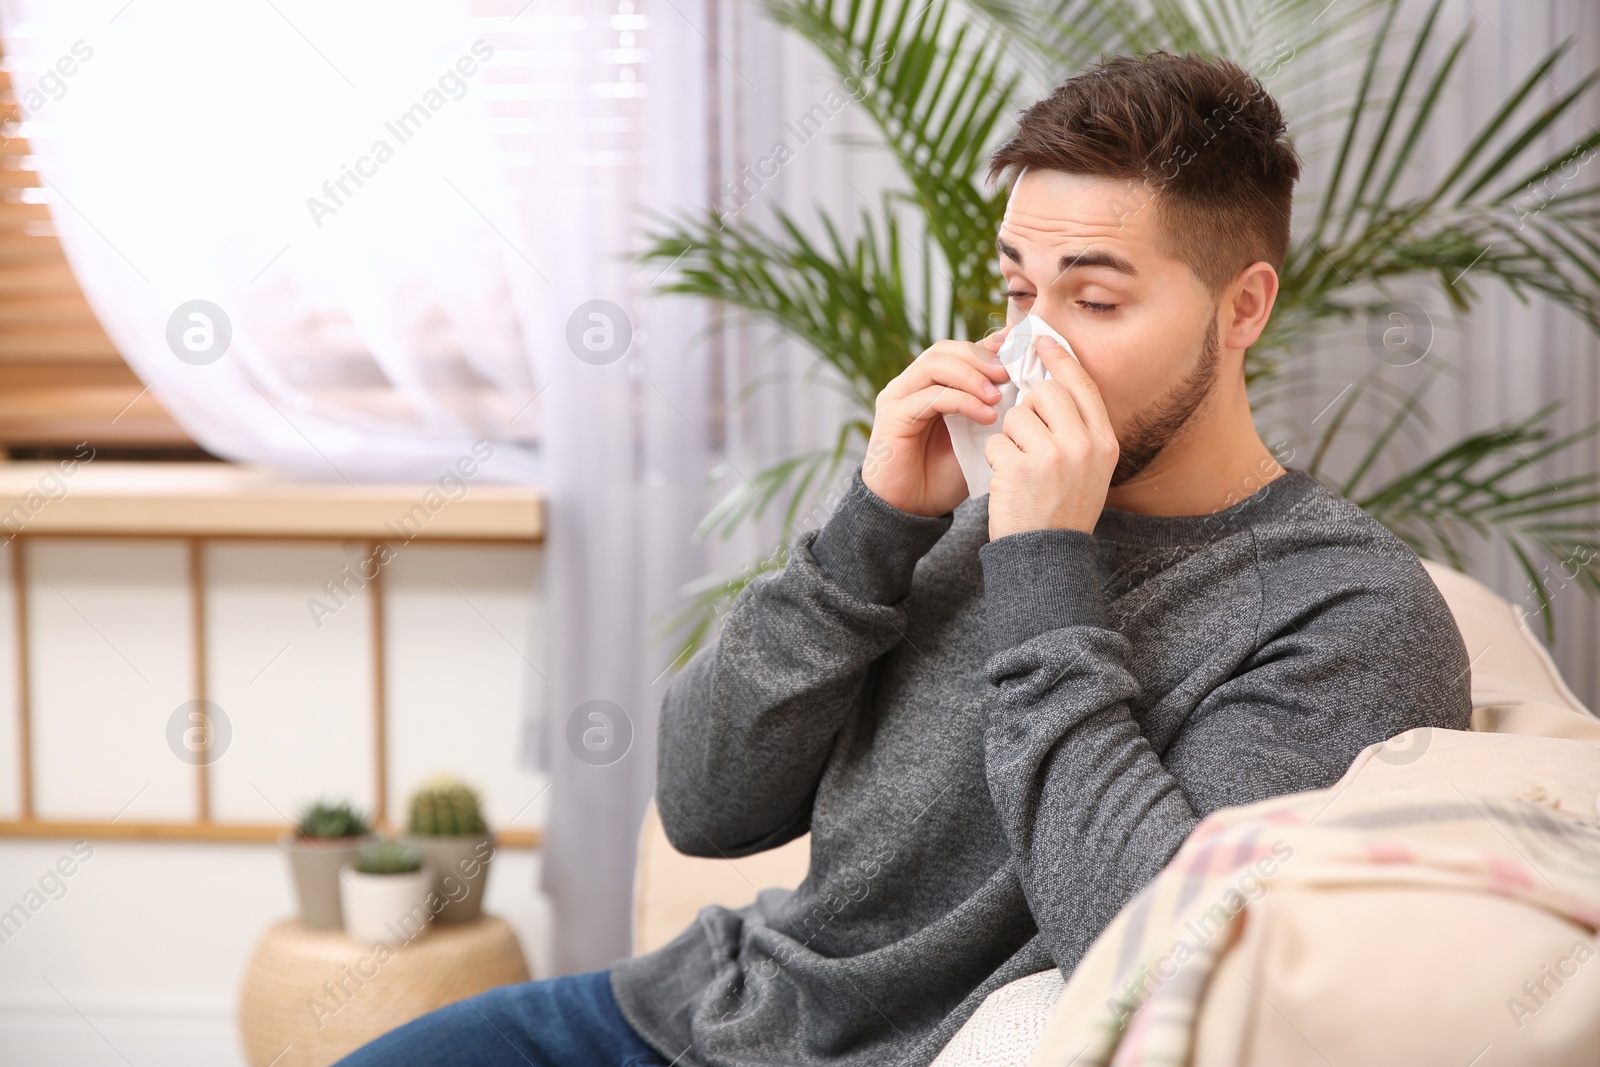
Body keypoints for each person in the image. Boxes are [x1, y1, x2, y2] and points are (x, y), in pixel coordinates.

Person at [335, 49, 1472, 1067]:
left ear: (1243, 310)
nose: (1035, 347)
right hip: (692, 1009)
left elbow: (1156, 957)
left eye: (1095, 296)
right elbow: (702, 806)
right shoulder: (961, 510)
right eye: (1020, 290)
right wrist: (871, 525)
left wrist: (1043, 557)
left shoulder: (1345, 611)